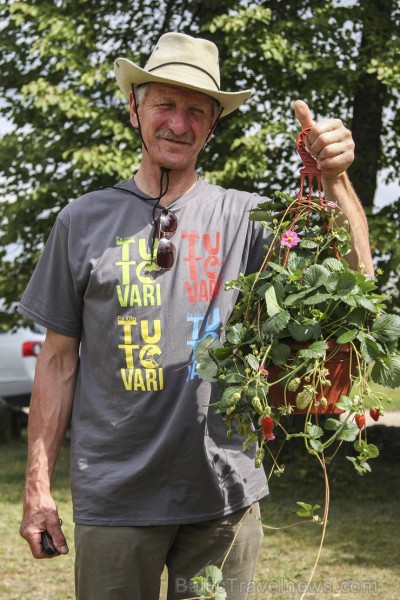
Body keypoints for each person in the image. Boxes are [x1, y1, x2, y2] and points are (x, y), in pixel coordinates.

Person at [19, 32, 373, 600]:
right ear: (136, 109)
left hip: (223, 497)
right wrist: (38, 487)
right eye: (164, 104)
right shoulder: (80, 222)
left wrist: (335, 176)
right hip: (115, 499)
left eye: (195, 112)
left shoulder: (248, 217)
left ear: (211, 126)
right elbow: (58, 363)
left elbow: (355, 284)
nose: (178, 124)